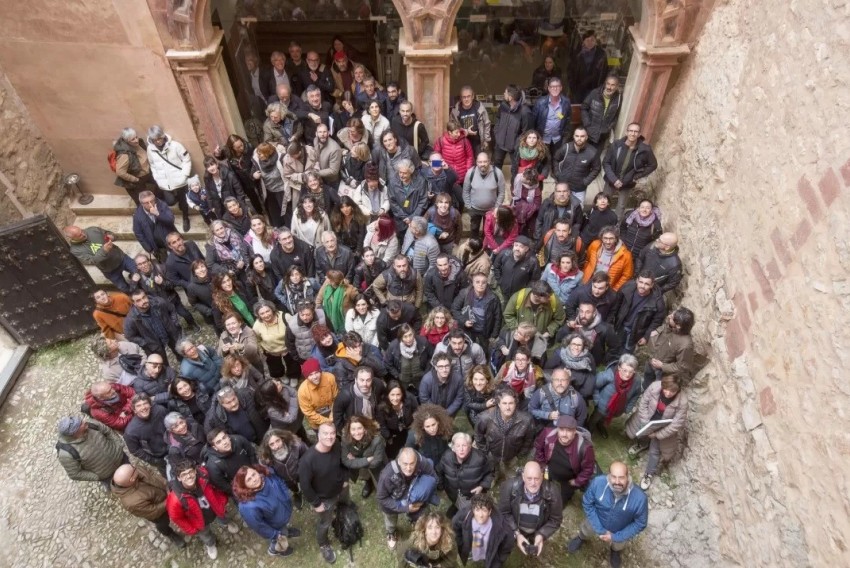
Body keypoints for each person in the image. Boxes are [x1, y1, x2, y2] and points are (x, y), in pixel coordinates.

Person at [566, 462, 648, 568]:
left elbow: (641, 523)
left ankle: (615, 551)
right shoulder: (598, 483)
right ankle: (581, 537)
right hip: (596, 519)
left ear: (628, 476)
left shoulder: (640, 499)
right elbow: (587, 502)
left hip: (620, 529)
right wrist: (601, 530)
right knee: (586, 529)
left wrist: (615, 536)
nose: (617, 482)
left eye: (621, 477)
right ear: (609, 475)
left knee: (619, 543)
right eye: (613, 477)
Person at [298, 422, 351, 564]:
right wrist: (316, 503)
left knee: (345, 505)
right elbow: (305, 485)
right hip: (325, 499)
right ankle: (323, 544)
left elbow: (343, 462)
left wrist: (345, 479)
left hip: (342, 488)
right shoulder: (308, 460)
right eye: (325, 433)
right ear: (318, 435)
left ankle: (343, 517)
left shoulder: (337, 444)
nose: (330, 437)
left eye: (332, 433)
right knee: (325, 523)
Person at [166, 460, 240, 560]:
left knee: (224, 516)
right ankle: (211, 544)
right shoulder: (175, 499)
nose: (188, 476)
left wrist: (222, 502)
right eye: (184, 475)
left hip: (215, 508)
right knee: (205, 535)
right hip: (199, 521)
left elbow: (218, 486)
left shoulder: (205, 476)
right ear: (179, 478)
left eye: (190, 472)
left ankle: (227, 523)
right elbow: (177, 517)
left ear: (195, 471)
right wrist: (192, 529)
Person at [377, 447, 439, 550]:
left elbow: (433, 478)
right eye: (405, 464)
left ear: (416, 461)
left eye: (412, 463)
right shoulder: (387, 475)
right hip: (393, 498)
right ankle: (391, 532)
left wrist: (422, 499)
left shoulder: (422, 462)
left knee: (422, 510)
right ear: (399, 462)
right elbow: (382, 498)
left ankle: (415, 521)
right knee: (390, 517)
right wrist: (405, 508)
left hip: (412, 491)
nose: (409, 468)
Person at [111, 464, 186, 549]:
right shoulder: (131, 503)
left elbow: (151, 473)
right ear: (132, 479)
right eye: (134, 469)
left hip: (165, 494)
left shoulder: (133, 470)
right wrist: (171, 499)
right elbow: (154, 511)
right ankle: (169, 534)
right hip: (159, 513)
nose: (136, 467)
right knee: (162, 524)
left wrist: (165, 484)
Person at [497, 461, 562, 558]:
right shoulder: (509, 487)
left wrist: (541, 534)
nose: (533, 483)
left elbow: (555, 520)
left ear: (542, 476)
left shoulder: (552, 492)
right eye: (529, 478)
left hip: (537, 529)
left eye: (537, 479)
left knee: (533, 543)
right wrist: (516, 533)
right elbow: (504, 513)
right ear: (523, 477)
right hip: (515, 527)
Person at [234, 465, 301, 557]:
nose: (254, 479)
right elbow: (259, 526)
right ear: (244, 486)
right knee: (278, 537)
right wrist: (275, 535)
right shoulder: (247, 506)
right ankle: (276, 550)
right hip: (275, 527)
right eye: (249, 480)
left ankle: (286, 531)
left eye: (253, 474)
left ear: (256, 471)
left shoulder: (267, 474)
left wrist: (286, 496)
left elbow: (279, 482)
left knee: (284, 529)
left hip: (283, 514)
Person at [533, 415, 597, 506]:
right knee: (541, 491)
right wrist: (542, 464)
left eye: (569, 430)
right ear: (557, 429)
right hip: (548, 470)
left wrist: (576, 482)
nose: (564, 434)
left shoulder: (585, 447)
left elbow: (588, 469)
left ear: (575, 431)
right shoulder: (547, 433)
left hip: (568, 479)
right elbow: (539, 448)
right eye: (562, 430)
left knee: (559, 503)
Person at [602, 123, 659, 218]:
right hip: (611, 179)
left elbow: (653, 165)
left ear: (639, 134)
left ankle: (615, 226)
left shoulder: (645, 149)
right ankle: (601, 221)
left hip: (628, 182)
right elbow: (606, 163)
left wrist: (636, 176)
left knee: (621, 206)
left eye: (636, 131)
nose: (633, 134)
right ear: (626, 132)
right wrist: (614, 179)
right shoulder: (616, 145)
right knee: (604, 202)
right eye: (631, 131)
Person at [55, 415, 127, 488]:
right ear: (75, 432)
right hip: (108, 476)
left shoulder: (91, 424)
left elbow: (108, 431)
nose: (85, 421)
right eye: (80, 424)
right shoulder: (66, 453)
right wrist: (97, 477)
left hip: (121, 457)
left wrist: (119, 444)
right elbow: (75, 474)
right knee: (121, 489)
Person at [474, 390, 534, 476]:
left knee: (510, 468)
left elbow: (529, 439)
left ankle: (508, 471)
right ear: (498, 404)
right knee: (492, 467)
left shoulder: (526, 420)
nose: (508, 407)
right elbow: (478, 435)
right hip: (492, 452)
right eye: (504, 403)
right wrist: (485, 451)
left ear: (515, 404)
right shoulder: (485, 418)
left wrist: (520, 454)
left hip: (512, 454)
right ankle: (494, 474)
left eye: (511, 403)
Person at [132, 253, 198, 330]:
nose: (143, 265)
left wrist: (162, 283)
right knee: (170, 320)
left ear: (149, 261)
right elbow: (135, 294)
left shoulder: (161, 268)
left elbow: (173, 284)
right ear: (137, 266)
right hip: (158, 304)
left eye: (144, 262)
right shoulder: (137, 277)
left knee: (184, 313)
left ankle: (193, 324)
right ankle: (178, 332)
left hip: (172, 299)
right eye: (140, 264)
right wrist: (134, 282)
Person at [64, 225, 136, 293]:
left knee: (138, 272)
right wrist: (104, 251)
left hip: (121, 258)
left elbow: (110, 234)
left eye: (81, 231)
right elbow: (91, 260)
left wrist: (112, 236)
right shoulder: (75, 250)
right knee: (123, 287)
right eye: (79, 235)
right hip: (110, 270)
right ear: (72, 238)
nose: (83, 234)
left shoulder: (93, 230)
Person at [147, 125, 193, 231]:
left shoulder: (176, 146)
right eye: (155, 140)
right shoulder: (150, 149)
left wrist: (185, 174)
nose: (158, 141)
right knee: (170, 201)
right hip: (165, 182)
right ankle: (176, 197)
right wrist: (157, 178)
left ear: (163, 136)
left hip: (180, 180)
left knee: (183, 202)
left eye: (160, 138)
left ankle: (185, 218)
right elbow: (152, 165)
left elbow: (186, 159)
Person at [452, 493, 515, 568]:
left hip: (491, 554)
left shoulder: (501, 525)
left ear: (490, 511)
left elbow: (509, 541)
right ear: (473, 510)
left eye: (484, 510)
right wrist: (461, 543)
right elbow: (455, 526)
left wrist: (499, 559)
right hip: (473, 550)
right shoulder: (464, 516)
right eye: (477, 510)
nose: (480, 515)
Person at [587, 354, 642, 438]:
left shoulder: (636, 380)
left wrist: (628, 408)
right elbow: (595, 385)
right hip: (601, 406)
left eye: (631, 372)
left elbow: (636, 394)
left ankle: (600, 426)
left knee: (605, 419)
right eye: (625, 370)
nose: (627, 374)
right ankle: (589, 430)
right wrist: (597, 400)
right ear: (619, 367)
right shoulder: (609, 375)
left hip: (617, 409)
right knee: (595, 418)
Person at [440, 432, 493, 518]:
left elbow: (490, 473)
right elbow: (440, 472)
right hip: (453, 493)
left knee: (471, 515)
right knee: (456, 505)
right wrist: (442, 487)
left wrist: (482, 486)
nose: (461, 449)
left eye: (464, 445)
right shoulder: (446, 457)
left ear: (470, 447)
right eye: (458, 446)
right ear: (453, 448)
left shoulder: (480, 458)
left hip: (472, 495)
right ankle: (457, 507)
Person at [612, 272, 666, 353]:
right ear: (637, 281)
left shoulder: (657, 302)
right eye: (641, 282)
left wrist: (646, 336)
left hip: (635, 331)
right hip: (621, 325)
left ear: (652, 285)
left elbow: (656, 321)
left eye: (646, 284)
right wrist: (612, 322)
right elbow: (616, 305)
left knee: (627, 350)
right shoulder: (627, 288)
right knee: (615, 345)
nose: (642, 286)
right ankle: (612, 362)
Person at [123, 289, 181, 362]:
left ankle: (183, 363)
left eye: (144, 297)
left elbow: (171, 308)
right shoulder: (131, 319)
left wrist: (174, 323)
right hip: (154, 343)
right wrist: (145, 342)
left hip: (170, 334)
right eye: (138, 300)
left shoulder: (159, 302)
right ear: (134, 303)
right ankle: (169, 372)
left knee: (179, 352)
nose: (143, 301)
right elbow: (129, 335)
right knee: (162, 362)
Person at [559, 301, 623, 368]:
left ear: (594, 313)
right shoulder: (574, 323)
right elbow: (559, 339)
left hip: (591, 360)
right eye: (581, 311)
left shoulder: (604, 328)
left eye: (588, 312)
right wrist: (567, 327)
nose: (583, 315)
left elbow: (615, 347)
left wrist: (604, 359)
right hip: (573, 355)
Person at [644, 307, 696, 389]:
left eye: (672, 317)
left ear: (678, 326)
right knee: (646, 381)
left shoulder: (685, 345)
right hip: (652, 359)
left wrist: (662, 366)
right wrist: (657, 331)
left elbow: (682, 367)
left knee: (656, 389)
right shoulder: (672, 326)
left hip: (661, 372)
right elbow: (665, 328)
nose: (669, 316)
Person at [259, 428, 308, 509]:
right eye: (272, 444)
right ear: (268, 446)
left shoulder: (297, 445)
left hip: (301, 472)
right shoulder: (265, 458)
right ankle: (297, 493)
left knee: (307, 483)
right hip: (286, 480)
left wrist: (302, 468)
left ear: (282, 438)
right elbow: (268, 473)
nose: (276, 446)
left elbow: (307, 457)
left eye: (277, 441)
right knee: (293, 487)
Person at [341, 415, 387, 499]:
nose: (357, 432)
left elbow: (376, 462)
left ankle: (382, 493)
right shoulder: (345, 439)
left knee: (381, 483)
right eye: (353, 429)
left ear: (365, 428)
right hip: (364, 465)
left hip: (376, 468)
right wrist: (366, 460)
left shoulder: (377, 440)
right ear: (349, 430)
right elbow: (345, 460)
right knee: (364, 476)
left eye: (359, 428)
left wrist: (355, 461)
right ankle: (368, 483)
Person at [552, 126, 601, 204]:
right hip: (563, 187)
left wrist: (586, 181)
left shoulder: (592, 152)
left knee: (578, 211)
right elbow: (555, 159)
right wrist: (558, 174)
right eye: (577, 136)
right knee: (560, 208)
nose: (579, 138)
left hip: (579, 189)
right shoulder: (566, 147)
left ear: (586, 137)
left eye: (582, 136)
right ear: (573, 136)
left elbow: (597, 168)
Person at [123, 394, 169, 476]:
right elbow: (135, 450)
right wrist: (155, 461)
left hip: (173, 446)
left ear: (150, 405)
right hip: (159, 457)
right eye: (139, 406)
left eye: (145, 403)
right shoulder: (131, 431)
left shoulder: (160, 410)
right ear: (134, 410)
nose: (143, 407)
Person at [218, 134, 265, 215]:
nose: (241, 148)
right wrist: (217, 154)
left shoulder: (249, 147)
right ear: (232, 148)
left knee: (262, 195)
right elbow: (221, 157)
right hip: (242, 179)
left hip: (253, 175)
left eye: (241, 145)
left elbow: (257, 160)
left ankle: (268, 212)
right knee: (253, 198)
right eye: (238, 147)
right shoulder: (228, 151)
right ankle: (260, 214)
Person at [463, 153, 505, 240]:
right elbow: (465, 191)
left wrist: (497, 207)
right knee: (474, 230)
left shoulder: (497, 173)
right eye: (480, 162)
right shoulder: (471, 172)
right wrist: (468, 206)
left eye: (485, 161)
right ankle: (474, 248)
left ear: (489, 161)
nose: (482, 164)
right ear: (476, 162)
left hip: (491, 210)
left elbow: (501, 192)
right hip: (474, 209)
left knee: (488, 233)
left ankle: (486, 249)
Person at [203, 427, 258, 495]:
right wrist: (239, 491)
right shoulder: (213, 465)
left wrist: (255, 470)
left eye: (224, 437)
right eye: (219, 442)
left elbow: (251, 453)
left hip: (254, 476)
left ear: (228, 436)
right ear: (215, 447)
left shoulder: (238, 440)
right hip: (240, 489)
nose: (224, 442)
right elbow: (222, 485)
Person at [543, 333, 597, 401]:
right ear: (569, 344)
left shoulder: (588, 358)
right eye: (573, 344)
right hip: (555, 390)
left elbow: (592, 376)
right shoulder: (560, 354)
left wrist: (572, 377)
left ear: (583, 346)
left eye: (579, 345)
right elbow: (546, 369)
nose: (576, 347)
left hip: (575, 394)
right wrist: (561, 374)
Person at [387, 159, 430, 240]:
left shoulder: (420, 181)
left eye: (405, 173)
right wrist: (404, 217)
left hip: (416, 218)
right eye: (400, 172)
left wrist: (412, 217)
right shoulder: (393, 182)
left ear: (411, 172)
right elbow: (392, 202)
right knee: (402, 241)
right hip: (400, 220)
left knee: (416, 240)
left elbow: (423, 201)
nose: (401, 175)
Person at [112, 127, 157, 205]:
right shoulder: (124, 155)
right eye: (132, 139)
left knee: (160, 184)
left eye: (136, 137)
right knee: (143, 202)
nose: (136, 140)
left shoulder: (140, 142)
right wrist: (135, 180)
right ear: (126, 141)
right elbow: (120, 172)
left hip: (147, 173)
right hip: (137, 178)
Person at [333, 364, 387, 428]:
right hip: (356, 429)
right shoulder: (345, 395)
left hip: (375, 423)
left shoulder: (377, 385)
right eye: (361, 380)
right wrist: (346, 433)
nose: (365, 384)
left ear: (372, 380)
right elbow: (337, 416)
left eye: (368, 380)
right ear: (356, 380)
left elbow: (385, 397)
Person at [581, 226, 634, 292]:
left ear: (616, 239)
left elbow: (626, 276)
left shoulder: (626, 255)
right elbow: (587, 260)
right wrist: (585, 276)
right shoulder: (595, 245)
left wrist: (614, 289)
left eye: (611, 238)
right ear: (601, 238)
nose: (608, 242)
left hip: (607, 288)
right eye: (605, 238)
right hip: (589, 282)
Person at [376, 380, 419, 460]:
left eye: (398, 395)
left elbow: (417, 411)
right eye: (392, 395)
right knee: (394, 454)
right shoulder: (381, 407)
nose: (395, 398)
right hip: (393, 432)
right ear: (387, 394)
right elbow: (382, 425)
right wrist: (388, 437)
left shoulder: (409, 399)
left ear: (402, 394)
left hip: (408, 427)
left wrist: (414, 426)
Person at [493, 84, 532, 170]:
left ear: (511, 97)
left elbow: (526, 132)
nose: (503, 94)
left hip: (514, 147)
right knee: (496, 165)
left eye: (505, 92)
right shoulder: (503, 106)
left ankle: (513, 183)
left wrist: (516, 144)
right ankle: (496, 182)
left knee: (515, 168)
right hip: (500, 142)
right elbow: (498, 120)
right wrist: (497, 134)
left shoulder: (525, 111)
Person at [252, 299, 291, 382]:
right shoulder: (257, 326)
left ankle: (294, 375)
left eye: (267, 311)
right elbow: (257, 340)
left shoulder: (285, 317)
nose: (266, 315)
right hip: (271, 351)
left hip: (288, 348)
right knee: (275, 367)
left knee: (292, 364)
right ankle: (281, 376)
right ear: (258, 315)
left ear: (272, 309)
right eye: (262, 313)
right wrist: (263, 351)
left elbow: (294, 330)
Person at [133, 190, 178, 262]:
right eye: (146, 203)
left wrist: (158, 214)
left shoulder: (162, 205)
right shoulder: (138, 215)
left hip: (170, 239)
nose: (150, 204)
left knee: (179, 256)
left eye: (152, 201)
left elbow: (171, 220)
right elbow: (138, 233)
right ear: (142, 204)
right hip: (156, 245)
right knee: (166, 262)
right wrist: (149, 248)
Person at [385, 323, 431, 392]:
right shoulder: (393, 346)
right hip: (403, 381)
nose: (408, 339)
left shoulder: (423, 342)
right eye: (405, 336)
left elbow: (431, 357)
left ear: (413, 334)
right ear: (401, 337)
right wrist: (397, 375)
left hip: (420, 379)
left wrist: (426, 373)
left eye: (410, 335)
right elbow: (387, 363)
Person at [532, 77, 570, 158]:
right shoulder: (540, 103)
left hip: (558, 138)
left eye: (557, 86)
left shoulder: (566, 102)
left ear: (561, 88)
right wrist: (536, 138)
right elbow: (533, 122)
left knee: (557, 159)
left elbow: (567, 119)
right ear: (548, 88)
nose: (555, 88)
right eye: (552, 86)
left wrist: (565, 137)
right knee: (544, 160)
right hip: (543, 138)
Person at [492, 237, 541, 301]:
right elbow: (496, 266)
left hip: (519, 296)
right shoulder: (505, 254)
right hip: (503, 291)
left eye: (521, 247)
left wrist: (525, 290)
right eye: (516, 245)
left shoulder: (532, 261)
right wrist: (500, 281)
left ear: (526, 249)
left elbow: (535, 279)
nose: (517, 249)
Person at [297, 358, 339, 432]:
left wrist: (332, 415)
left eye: (316, 372)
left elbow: (336, 398)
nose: (315, 377)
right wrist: (326, 421)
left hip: (333, 412)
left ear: (320, 371)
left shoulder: (330, 378)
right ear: (306, 377)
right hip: (316, 421)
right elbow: (308, 412)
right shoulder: (302, 391)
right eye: (310, 375)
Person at [581, 74, 622, 150]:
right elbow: (584, 108)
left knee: (596, 159)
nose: (609, 87)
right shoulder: (595, 93)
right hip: (589, 133)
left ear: (617, 87)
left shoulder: (618, 98)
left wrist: (609, 127)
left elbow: (616, 115)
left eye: (613, 85)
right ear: (605, 83)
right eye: (608, 84)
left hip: (602, 136)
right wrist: (587, 123)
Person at [568, 30, 609, 105]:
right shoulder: (577, 54)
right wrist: (572, 86)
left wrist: (600, 89)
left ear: (596, 42)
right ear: (583, 41)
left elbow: (604, 72)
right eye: (587, 40)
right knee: (577, 108)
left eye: (592, 40)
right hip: (578, 88)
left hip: (593, 89)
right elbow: (570, 70)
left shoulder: (601, 55)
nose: (590, 42)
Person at [419, 352, 465, 417]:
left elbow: (459, 398)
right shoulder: (426, 380)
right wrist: (437, 413)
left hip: (450, 413)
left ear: (450, 365)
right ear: (435, 367)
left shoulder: (458, 378)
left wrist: (448, 412)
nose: (444, 370)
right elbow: (424, 399)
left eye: (447, 366)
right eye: (440, 367)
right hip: (432, 413)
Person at [451, 85, 491, 155]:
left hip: (478, 142)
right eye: (464, 97)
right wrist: (465, 132)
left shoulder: (479, 108)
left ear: (472, 96)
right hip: (461, 142)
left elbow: (487, 123)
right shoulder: (456, 110)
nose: (466, 99)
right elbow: (452, 127)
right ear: (461, 98)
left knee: (478, 163)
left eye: (468, 96)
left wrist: (486, 140)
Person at [316, 269, 359, 334]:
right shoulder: (326, 285)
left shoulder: (350, 289)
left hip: (345, 321)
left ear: (333, 281)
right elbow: (319, 299)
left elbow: (358, 301)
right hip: (329, 320)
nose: (326, 278)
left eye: (328, 278)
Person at [284, 302, 325, 368]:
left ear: (313, 312)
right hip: (304, 357)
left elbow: (331, 332)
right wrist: (297, 359)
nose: (305, 318)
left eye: (308, 314)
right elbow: (289, 343)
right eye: (302, 315)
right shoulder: (292, 324)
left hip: (323, 352)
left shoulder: (322, 316)